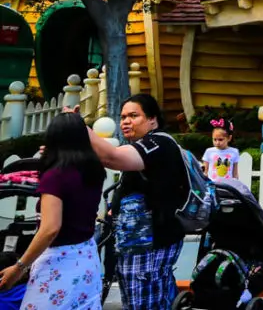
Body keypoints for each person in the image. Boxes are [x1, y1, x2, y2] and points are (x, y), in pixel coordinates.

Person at [86, 94, 187, 310]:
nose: (125, 121)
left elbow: (111, 157)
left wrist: (80, 128)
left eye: (134, 116)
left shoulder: (158, 143)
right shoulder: (143, 145)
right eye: (123, 117)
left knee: (142, 304)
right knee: (153, 300)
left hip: (152, 242)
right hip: (141, 240)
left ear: (152, 119)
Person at [0, 112, 104, 309]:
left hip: (58, 264)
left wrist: (19, 267)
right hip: (87, 259)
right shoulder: (94, 171)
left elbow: (50, 229)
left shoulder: (55, 177)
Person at [202, 117, 239, 181]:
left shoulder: (234, 152)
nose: (217, 142)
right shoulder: (209, 151)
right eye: (215, 139)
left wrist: (236, 183)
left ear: (229, 138)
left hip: (228, 185)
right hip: (212, 184)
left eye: (220, 139)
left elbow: (235, 173)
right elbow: (205, 171)